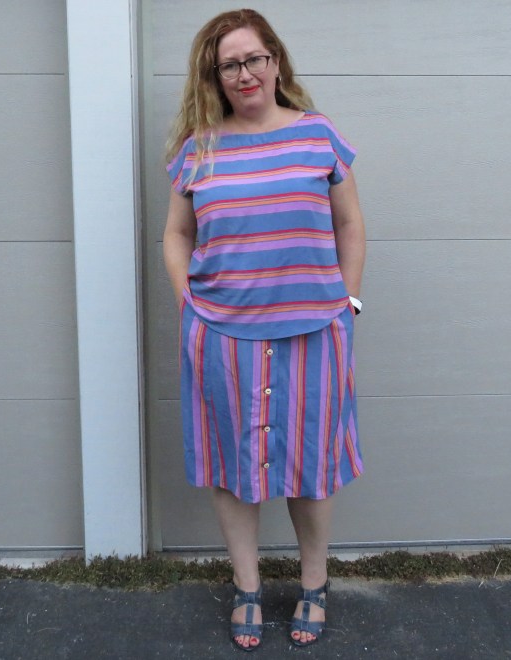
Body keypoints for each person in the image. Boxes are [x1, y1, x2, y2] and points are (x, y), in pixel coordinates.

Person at [162, 8, 365, 652]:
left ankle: (314, 584)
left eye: (254, 59)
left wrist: (348, 301)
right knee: (232, 467)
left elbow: (350, 224)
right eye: (229, 65)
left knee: (313, 465)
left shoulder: (317, 134)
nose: (244, 73)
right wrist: (188, 303)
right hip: (222, 336)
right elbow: (177, 235)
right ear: (214, 77)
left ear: (275, 61)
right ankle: (246, 588)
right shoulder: (199, 148)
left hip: (315, 334)